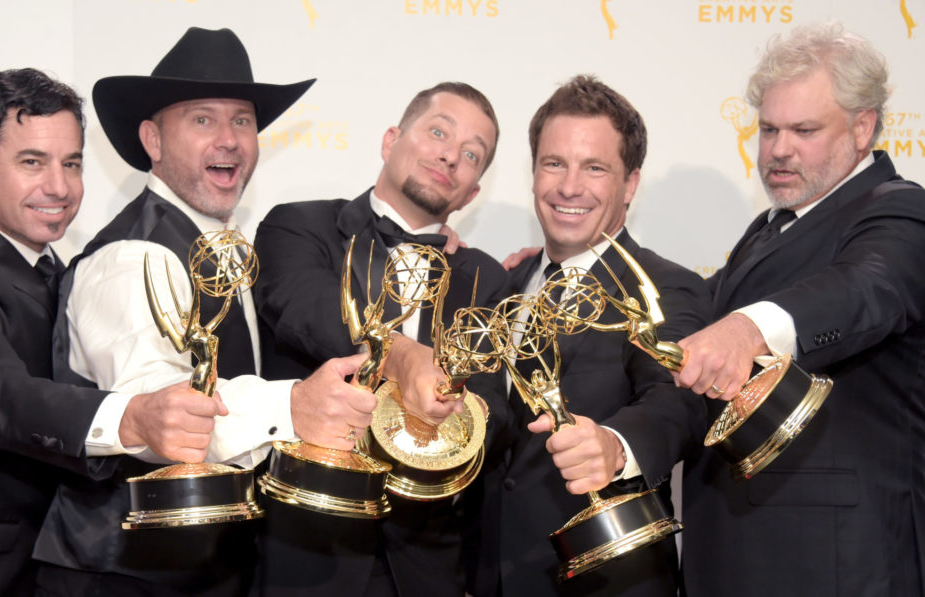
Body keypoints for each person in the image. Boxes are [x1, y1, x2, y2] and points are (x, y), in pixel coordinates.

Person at [32, 28, 377, 596]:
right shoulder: (132, 256)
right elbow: (162, 411)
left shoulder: (226, 249)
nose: (230, 140)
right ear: (153, 139)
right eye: (202, 119)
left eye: (242, 120)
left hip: (209, 568)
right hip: (120, 574)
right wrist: (294, 406)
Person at [0, 68, 219, 597]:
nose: (59, 187)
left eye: (71, 163)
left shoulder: (49, 264)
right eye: (32, 162)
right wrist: (133, 416)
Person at [676, 22, 925, 597]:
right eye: (768, 129)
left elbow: (864, 287)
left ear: (863, 128)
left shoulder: (900, 213)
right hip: (735, 556)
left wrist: (746, 331)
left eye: (804, 130)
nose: (779, 148)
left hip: (833, 565)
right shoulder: (767, 230)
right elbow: (698, 306)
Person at [253, 81, 510, 596]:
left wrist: (457, 409)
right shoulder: (299, 226)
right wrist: (405, 358)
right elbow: (305, 311)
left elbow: (495, 414)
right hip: (303, 551)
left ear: (473, 191)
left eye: (471, 154)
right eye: (438, 131)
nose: (450, 156)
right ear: (391, 140)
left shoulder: (485, 278)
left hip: (425, 562)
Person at [470, 75, 710, 597]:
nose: (569, 186)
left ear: (629, 184)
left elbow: (680, 399)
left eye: (595, 168)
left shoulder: (665, 285)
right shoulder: (503, 286)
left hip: (607, 580)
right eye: (554, 163)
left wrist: (617, 445)